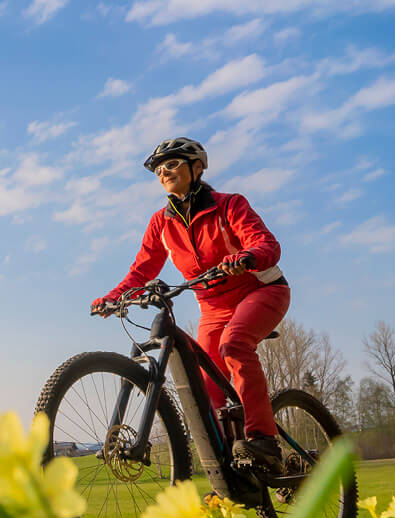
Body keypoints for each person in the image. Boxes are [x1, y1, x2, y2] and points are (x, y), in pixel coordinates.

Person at [91, 137, 290, 471]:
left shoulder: (229, 204)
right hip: (212, 306)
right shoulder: (161, 222)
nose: (163, 172)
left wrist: (246, 257)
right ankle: (230, 467)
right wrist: (115, 297)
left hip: (259, 289)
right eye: (158, 169)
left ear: (196, 168)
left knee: (235, 345)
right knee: (204, 388)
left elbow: (265, 243)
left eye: (172, 164)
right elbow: (142, 270)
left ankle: (264, 442)